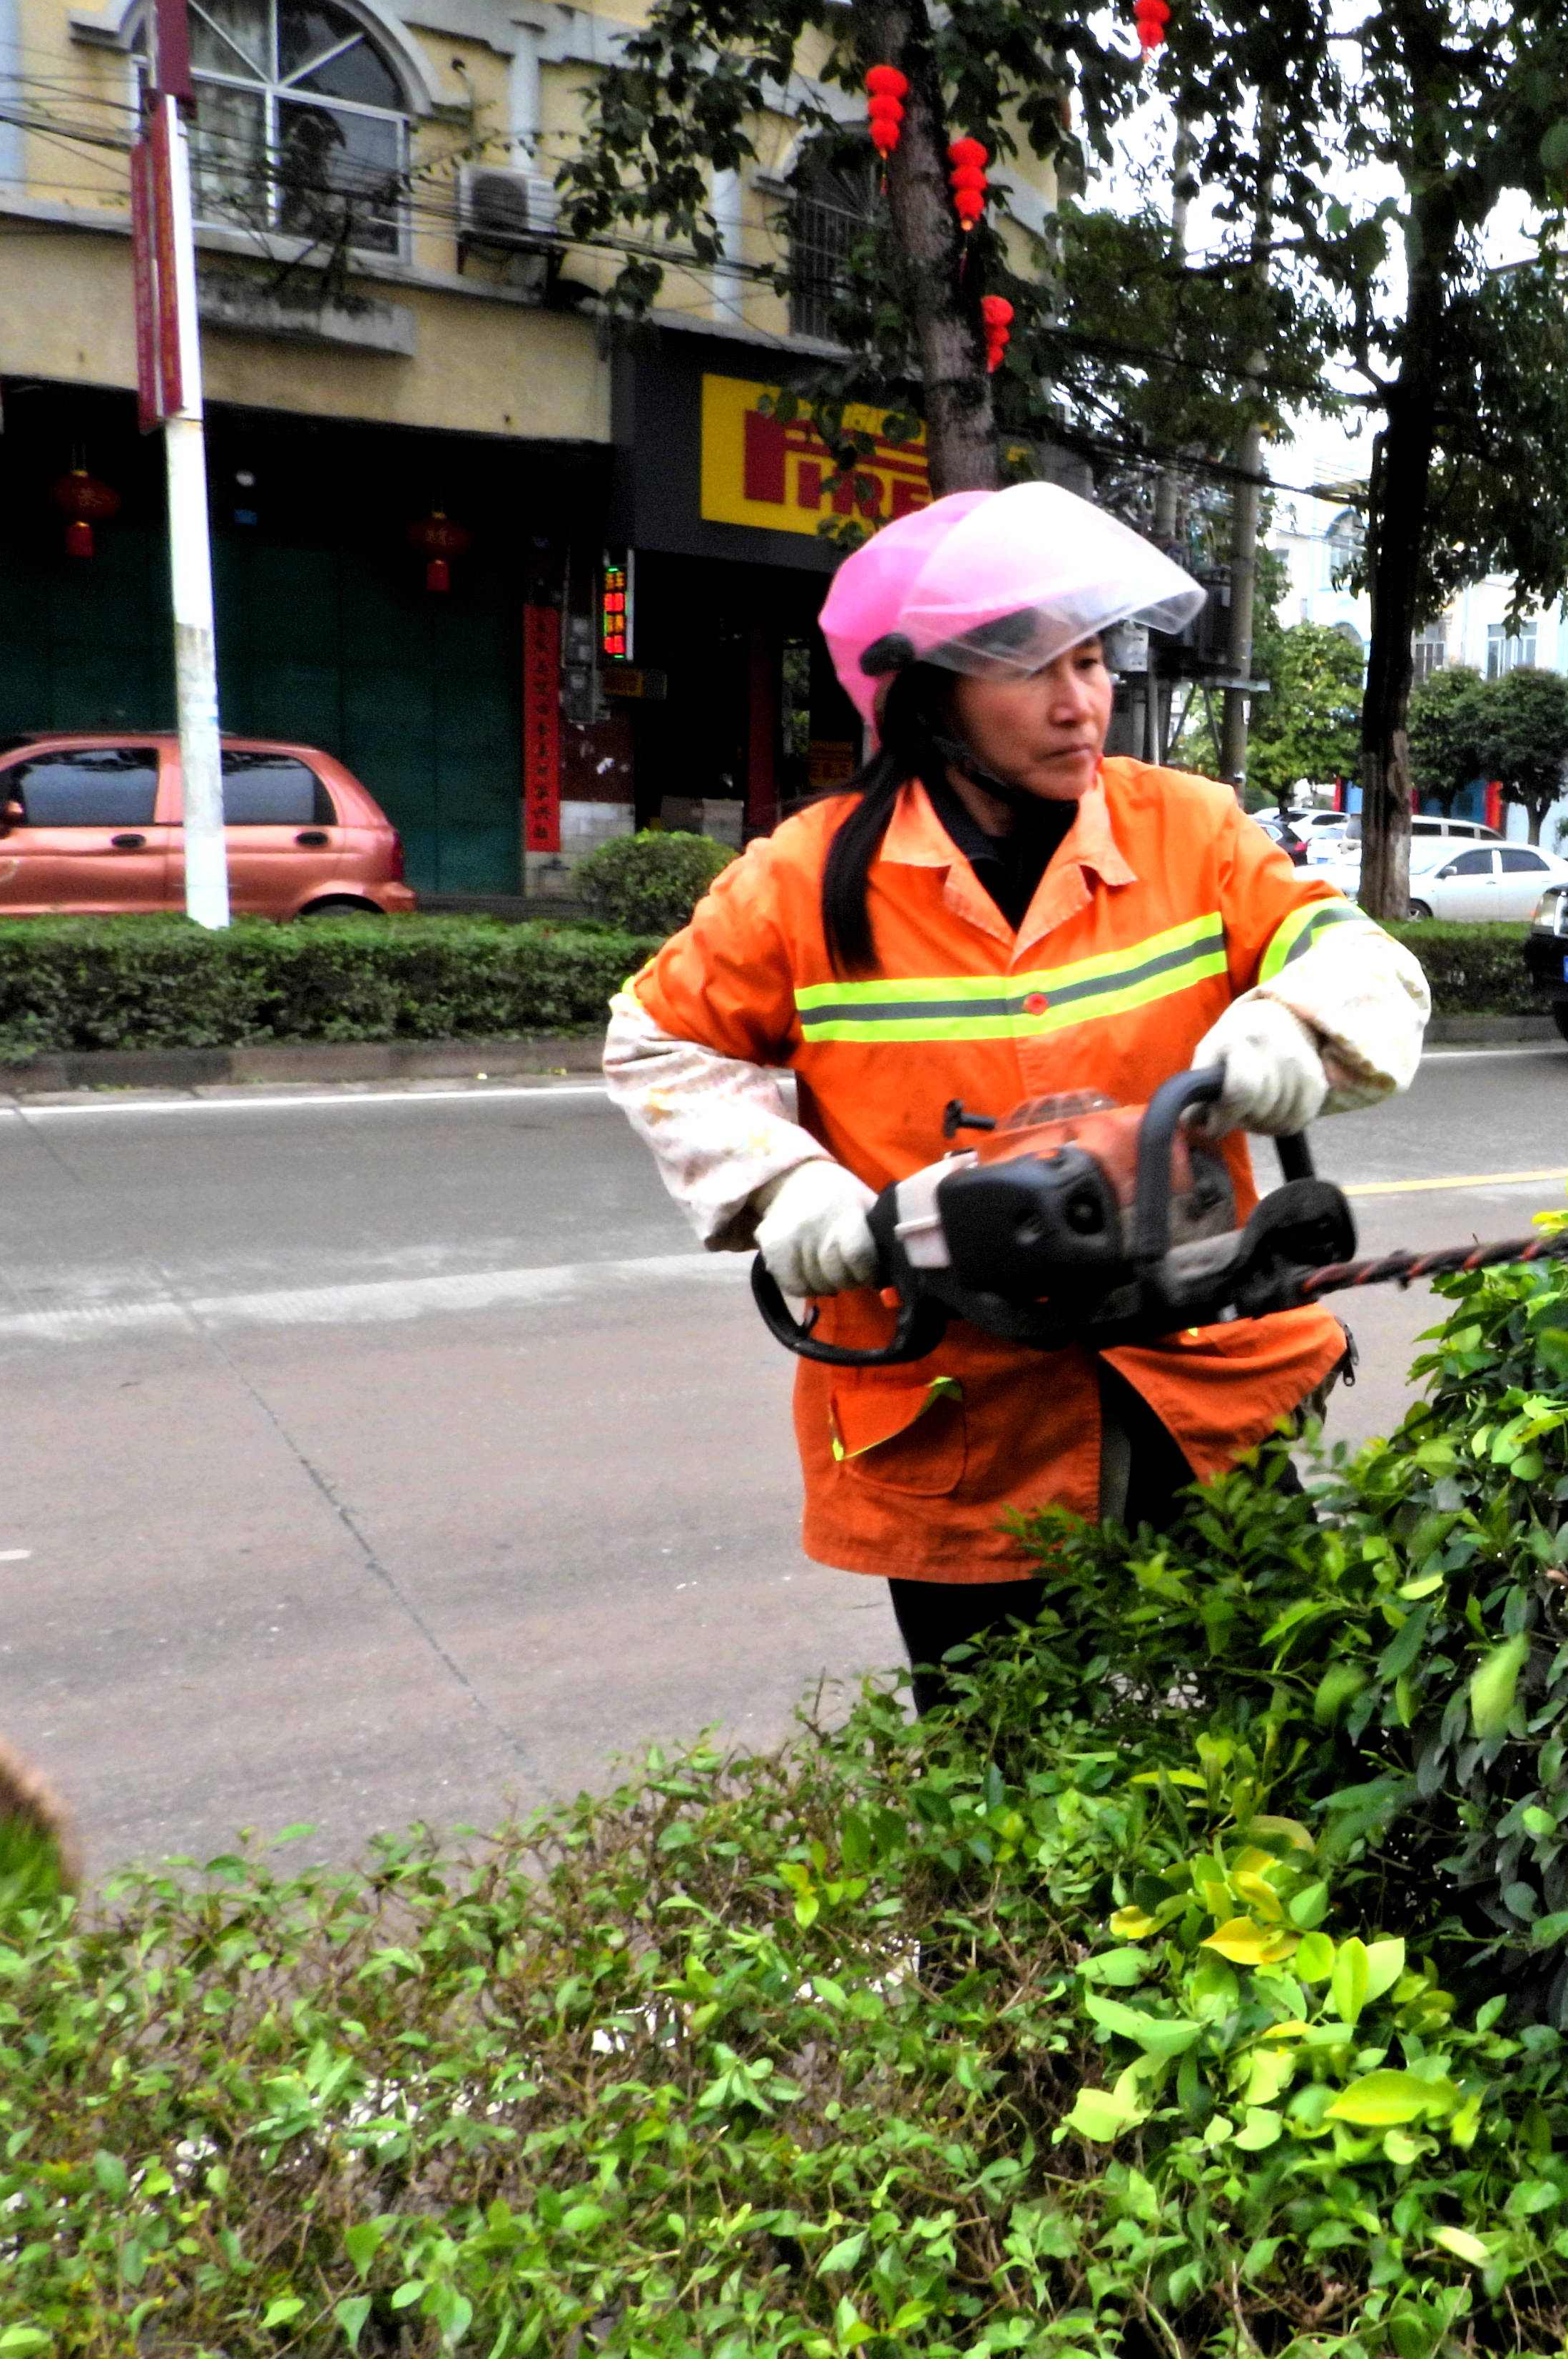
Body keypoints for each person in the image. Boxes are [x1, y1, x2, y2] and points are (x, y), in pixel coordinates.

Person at [603, 482, 1430, 1710]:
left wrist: (1292, 1021)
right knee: (1010, 1778)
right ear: (927, 698)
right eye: (1030, 669)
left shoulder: (1188, 830)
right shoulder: (800, 882)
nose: (1078, 701)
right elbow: (656, 1043)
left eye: (1093, 661)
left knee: (1293, 1719)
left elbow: (1361, 960)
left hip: (1194, 1373)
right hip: (964, 1416)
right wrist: (791, 1188)